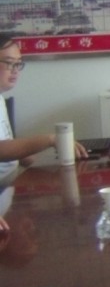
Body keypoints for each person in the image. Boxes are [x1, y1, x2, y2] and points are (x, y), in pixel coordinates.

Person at [0, 34, 88, 182]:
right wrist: (50, 139)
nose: (15, 70)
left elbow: (8, 144)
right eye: (9, 63)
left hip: (10, 182)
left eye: (18, 64)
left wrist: (41, 164)